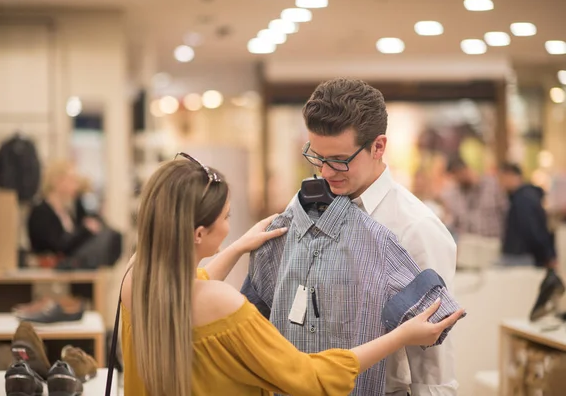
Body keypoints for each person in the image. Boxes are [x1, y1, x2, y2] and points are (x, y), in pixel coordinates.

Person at [119, 156, 463, 396]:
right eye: (226, 217)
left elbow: (190, 286)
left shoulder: (137, 278)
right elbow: (309, 376)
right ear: (198, 234)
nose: (229, 225)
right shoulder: (222, 302)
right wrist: (400, 336)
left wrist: (238, 247)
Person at [243, 78, 459, 396]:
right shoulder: (301, 206)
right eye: (317, 157)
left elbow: (432, 356)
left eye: (340, 160)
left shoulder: (415, 228)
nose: (327, 172)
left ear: (378, 146)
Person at [27, 161, 120, 269]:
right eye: (72, 180)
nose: (76, 185)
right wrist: (85, 230)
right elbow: (57, 246)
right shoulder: (41, 212)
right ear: (57, 181)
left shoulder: (67, 212)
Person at [498, 162, 556, 268]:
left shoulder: (523, 199)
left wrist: (546, 256)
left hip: (522, 256)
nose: (501, 183)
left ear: (511, 176)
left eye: (502, 178)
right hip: (523, 256)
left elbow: (533, 230)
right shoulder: (522, 197)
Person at [442, 155, 506, 239]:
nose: (457, 179)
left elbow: (505, 212)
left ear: (465, 169)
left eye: (459, 174)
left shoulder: (492, 186)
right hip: (468, 243)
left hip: (492, 241)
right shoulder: (453, 194)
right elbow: (453, 222)